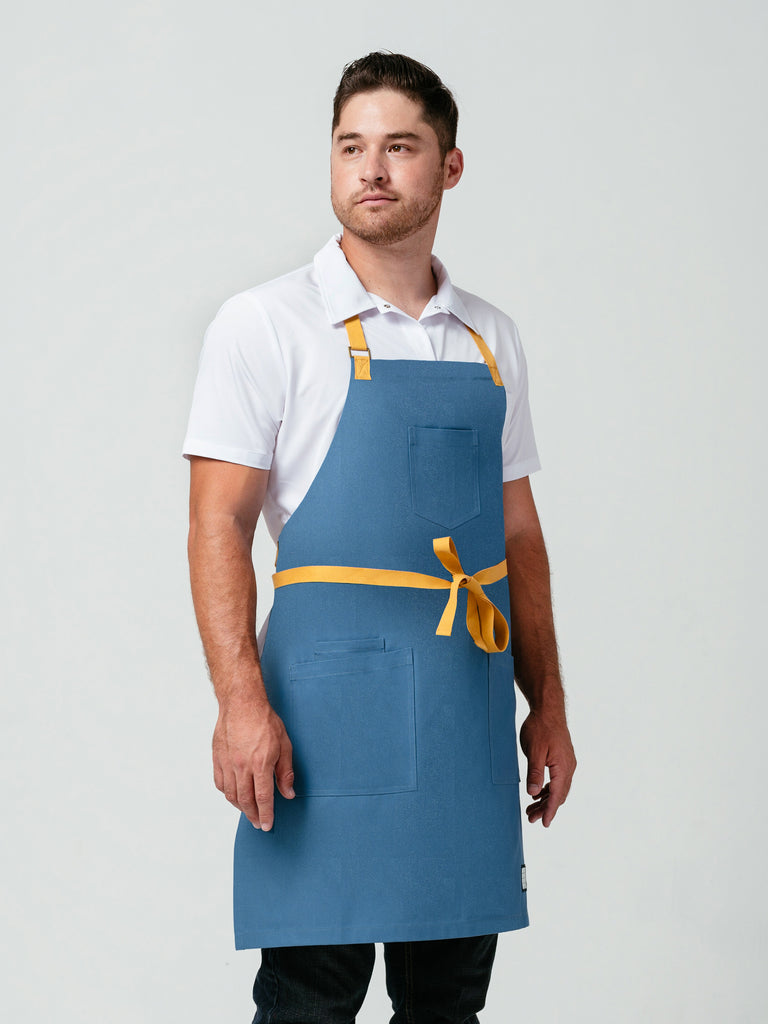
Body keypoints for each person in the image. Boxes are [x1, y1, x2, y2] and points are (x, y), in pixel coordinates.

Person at [184, 51, 576, 1024]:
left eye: (399, 147)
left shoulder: (492, 337)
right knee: (308, 998)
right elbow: (217, 523)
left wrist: (551, 703)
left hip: (460, 703)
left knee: (448, 1002)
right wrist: (240, 703)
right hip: (323, 717)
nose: (371, 169)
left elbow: (518, 532)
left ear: (447, 167)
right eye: (351, 146)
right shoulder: (265, 323)